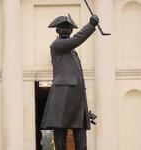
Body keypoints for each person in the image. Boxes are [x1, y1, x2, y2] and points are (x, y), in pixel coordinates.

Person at [41, 14, 99, 150]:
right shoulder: (57, 45)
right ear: (57, 31)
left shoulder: (72, 52)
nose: (66, 30)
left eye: (68, 28)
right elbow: (76, 40)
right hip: (62, 98)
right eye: (62, 28)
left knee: (82, 143)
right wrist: (90, 25)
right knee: (60, 141)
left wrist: (85, 108)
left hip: (77, 101)